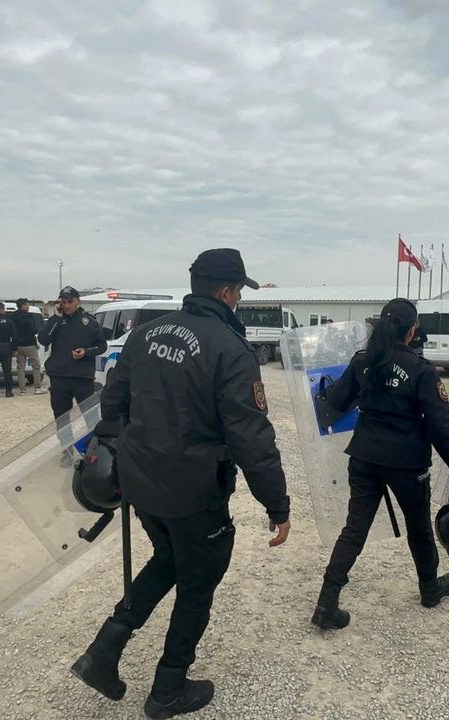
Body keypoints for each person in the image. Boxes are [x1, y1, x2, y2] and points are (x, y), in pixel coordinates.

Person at [71, 249, 290, 719]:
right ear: (226, 292)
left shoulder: (144, 334)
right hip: (194, 491)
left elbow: (112, 405)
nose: (238, 300)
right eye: (238, 292)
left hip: (140, 482)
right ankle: (168, 688)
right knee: (198, 581)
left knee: (168, 559)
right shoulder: (231, 348)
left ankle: (102, 651)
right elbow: (250, 436)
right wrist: (277, 504)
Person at [311, 298, 449, 632]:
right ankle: (429, 589)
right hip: (407, 463)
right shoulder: (421, 370)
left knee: (354, 529)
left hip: (364, 457)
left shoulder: (363, 360)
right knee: (419, 528)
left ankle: (327, 602)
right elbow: (441, 428)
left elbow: (337, 402)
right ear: (412, 330)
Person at [39, 286, 107, 428]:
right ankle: (66, 443)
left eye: (70, 302)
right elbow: (43, 340)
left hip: (82, 377)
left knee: (91, 418)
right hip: (59, 377)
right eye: (63, 302)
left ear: (78, 301)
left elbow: (102, 346)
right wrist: (56, 318)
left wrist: (86, 352)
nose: (67, 306)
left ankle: (93, 442)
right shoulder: (56, 321)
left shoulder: (89, 321)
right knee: (62, 421)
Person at [5, 298, 43, 396]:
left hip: (18, 345)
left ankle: (22, 390)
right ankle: (37, 388)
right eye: (27, 304)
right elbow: (34, 330)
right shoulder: (28, 316)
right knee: (36, 366)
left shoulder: (13, 317)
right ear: (23, 305)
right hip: (29, 344)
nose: (28, 306)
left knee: (20, 367)